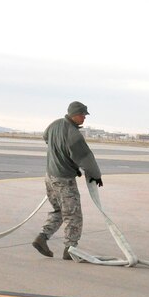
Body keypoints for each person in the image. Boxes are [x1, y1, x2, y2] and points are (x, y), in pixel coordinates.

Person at [32, 101, 103, 260]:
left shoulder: (54, 125)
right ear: (75, 115)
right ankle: (70, 249)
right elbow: (86, 158)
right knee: (73, 216)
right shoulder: (74, 135)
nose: (84, 118)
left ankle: (42, 238)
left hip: (50, 177)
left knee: (59, 211)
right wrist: (96, 174)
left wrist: (61, 156)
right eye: (83, 115)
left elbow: (46, 138)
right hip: (64, 180)